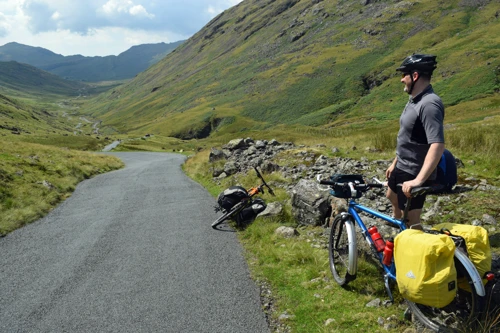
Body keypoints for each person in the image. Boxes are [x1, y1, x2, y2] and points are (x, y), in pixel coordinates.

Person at [386, 54, 445, 230]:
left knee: (412, 222)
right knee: (391, 196)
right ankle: (399, 238)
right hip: (402, 166)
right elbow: (408, 135)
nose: (401, 79)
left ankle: (416, 251)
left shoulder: (429, 104)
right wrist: (395, 162)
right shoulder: (414, 100)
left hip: (413, 171)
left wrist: (418, 180)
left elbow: (437, 145)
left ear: (415, 76)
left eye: (404, 75)